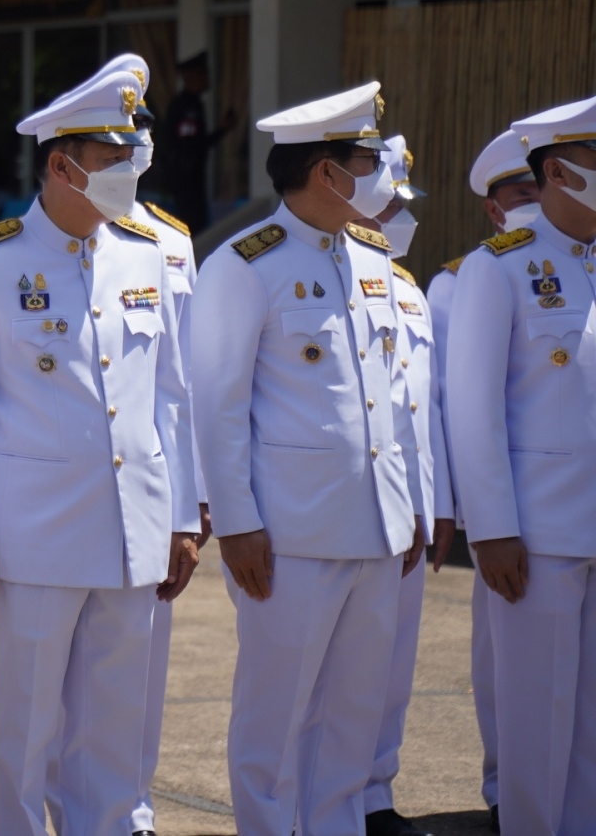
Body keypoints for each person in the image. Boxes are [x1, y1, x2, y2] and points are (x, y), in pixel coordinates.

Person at [0, 63, 200, 836]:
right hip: (35, 536)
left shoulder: (146, 253)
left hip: (132, 528)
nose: (128, 173)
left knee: (115, 719)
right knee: (27, 723)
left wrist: (182, 511)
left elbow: (170, 395)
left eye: (131, 158)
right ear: (60, 165)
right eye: (113, 160)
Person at [190, 81, 426, 836]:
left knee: (351, 720)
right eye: (367, 157)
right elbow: (217, 406)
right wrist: (238, 523)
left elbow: (391, 397)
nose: (382, 170)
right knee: (275, 721)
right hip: (288, 536)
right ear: (327, 173)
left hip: (375, 528)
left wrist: (408, 503)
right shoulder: (243, 264)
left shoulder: (372, 256)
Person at [448, 95, 596, 835]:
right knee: (536, 719)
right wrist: (493, 529)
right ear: (561, 172)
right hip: (536, 533)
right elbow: (473, 409)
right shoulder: (499, 268)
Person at [432, 127, 542, 830]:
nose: (535, 204)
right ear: (493, 209)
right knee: (508, 663)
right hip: (510, 505)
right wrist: (466, 513)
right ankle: (510, 785)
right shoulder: (462, 277)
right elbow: (455, 402)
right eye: (521, 194)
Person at [121, 58, 209, 836]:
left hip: (151, 493)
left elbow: (181, 387)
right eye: (126, 133)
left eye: (142, 130)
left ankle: (133, 810)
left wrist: (191, 502)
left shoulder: (172, 242)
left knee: (143, 675)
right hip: (65, 502)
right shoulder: (9, 255)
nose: (140, 144)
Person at [361, 136, 437, 836]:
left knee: (392, 665)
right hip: (346, 507)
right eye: (389, 203)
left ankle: (374, 795)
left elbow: (425, 409)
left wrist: (434, 505)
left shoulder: (410, 288)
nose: (400, 218)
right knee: (332, 675)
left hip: (406, 507)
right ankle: (314, 799)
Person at [156, 52, 236, 233]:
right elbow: (190, 146)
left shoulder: (193, 104)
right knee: (191, 227)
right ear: (193, 77)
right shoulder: (186, 107)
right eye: (204, 75)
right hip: (185, 180)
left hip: (191, 179)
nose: (208, 79)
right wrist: (221, 131)